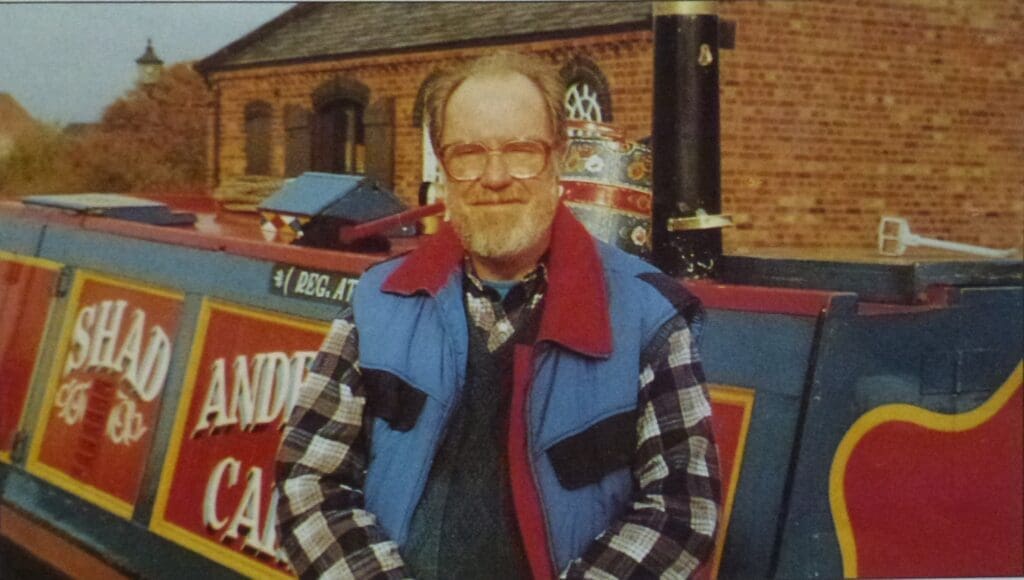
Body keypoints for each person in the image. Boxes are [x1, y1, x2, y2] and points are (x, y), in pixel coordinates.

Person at [276, 51, 721, 579]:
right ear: (443, 169)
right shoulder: (377, 303)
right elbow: (309, 481)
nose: (494, 176)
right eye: (468, 153)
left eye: (520, 150)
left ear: (558, 159)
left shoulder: (649, 315)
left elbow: (681, 510)